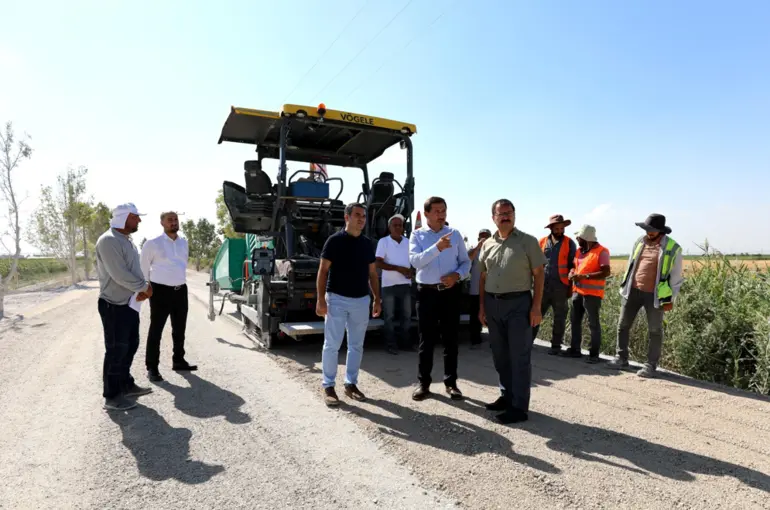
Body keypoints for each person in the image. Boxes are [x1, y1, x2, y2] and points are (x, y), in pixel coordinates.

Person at [477, 199, 546, 424]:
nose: (505, 216)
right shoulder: (487, 244)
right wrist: (481, 307)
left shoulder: (528, 242)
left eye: (509, 212)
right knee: (500, 355)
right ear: (493, 218)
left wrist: (536, 307)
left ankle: (519, 407)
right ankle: (506, 396)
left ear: (514, 215)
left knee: (519, 357)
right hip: (493, 304)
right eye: (501, 213)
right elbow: (483, 276)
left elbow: (539, 275)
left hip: (519, 305)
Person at [316, 203, 381, 406]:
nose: (361, 219)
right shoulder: (334, 241)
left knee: (356, 346)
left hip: (361, 300)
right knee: (332, 345)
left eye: (363, 216)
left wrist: (377, 298)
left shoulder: (366, 244)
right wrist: (320, 299)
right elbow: (323, 271)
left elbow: (372, 273)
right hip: (336, 298)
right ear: (347, 218)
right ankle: (328, 386)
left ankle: (350, 384)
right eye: (357, 215)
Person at [409, 196, 471, 401]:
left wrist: (457, 276)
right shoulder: (417, 235)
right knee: (426, 340)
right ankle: (423, 383)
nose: (441, 214)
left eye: (443, 210)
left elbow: (465, 262)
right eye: (436, 211)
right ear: (426, 213)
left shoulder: (455, 235)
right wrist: (437, 248)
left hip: (450, 293)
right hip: (426, 293)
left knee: (451, 340)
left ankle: (451, 383)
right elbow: (416, 262)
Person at [607, 214, 683, 377]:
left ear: (660, 231)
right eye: (647, 229)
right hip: (632, 290)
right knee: (623, 325)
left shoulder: (672, 247)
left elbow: (676, 277)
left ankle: (650, 365)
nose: (649, 232)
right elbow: (631, 264)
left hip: (655, 294)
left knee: (655, 330)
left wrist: (671, 299)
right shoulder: (639, 242)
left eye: (652, 230)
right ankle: (621, 358)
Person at [95, 203, 154, 411]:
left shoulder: (126, 240)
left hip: (129, 303)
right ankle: (112, 397)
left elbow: (133, 270)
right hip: (113, 305)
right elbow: (119, 274)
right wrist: (144, 287)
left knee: (130, 345)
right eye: (135, 217)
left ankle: (126, 385)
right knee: (116, 350)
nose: (139, 220)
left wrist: (141, 290)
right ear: (124, 217)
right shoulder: (109, 240)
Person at [140, 211, 196, 382]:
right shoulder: (152, 244)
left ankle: (178, 360)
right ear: (162, 223)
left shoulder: (183, 243)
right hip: (159, 291)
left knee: (179, 329)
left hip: (180, 290)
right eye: (170, 220)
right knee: (156, 329)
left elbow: (182, 264)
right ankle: (152, 367)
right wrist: (145, 287)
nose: (174, 222)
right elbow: (143, 267)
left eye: (176, 220)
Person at [563, 225, 611, 363]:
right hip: (577, 292)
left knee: (593, 324)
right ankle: (575, 350)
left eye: (579, 237)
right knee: (574, 321)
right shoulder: (579, 251)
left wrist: (585, 277)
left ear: (585, 238)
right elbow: (574, 266)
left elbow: (606, 272)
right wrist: (572, 272)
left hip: (592, 294)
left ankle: (593, 354)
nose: (577, 239)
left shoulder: (602, 252)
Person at [533, 214, 577, 355]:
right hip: (543, 286)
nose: (559, 231)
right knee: (535, 313)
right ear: (551, 228)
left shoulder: (570, 243)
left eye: (561, 228)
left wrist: (570, 285)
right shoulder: (542, 242)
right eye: (557, 228)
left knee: (559, 318)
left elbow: (573, 265)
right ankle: (527, 342)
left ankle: (555, 346)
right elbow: (535, 263)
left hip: (561, 287)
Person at [375, 214, 414, 355]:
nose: (398, 227)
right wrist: (399, 268)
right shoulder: (383, 242)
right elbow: (378, 262)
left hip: (405, 284)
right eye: (395, 225)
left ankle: (405, 343)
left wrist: (412, 271)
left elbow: (414, 261)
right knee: (389, 317)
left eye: (400, 225)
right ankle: (390, 344)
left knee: (407, 316)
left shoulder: (408, 242)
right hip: (388, 286)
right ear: (389, 227)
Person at [468, 229, 492, 348]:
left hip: (492, 290)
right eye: (481, 237)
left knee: (492, 316)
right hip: (475, 290)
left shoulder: (495, 250)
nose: (484, 240)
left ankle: (494, 341)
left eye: (486, 237)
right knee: (475, 315)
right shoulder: (474, 251)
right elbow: (467, 260)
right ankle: (475, 339)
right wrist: (478, 247)